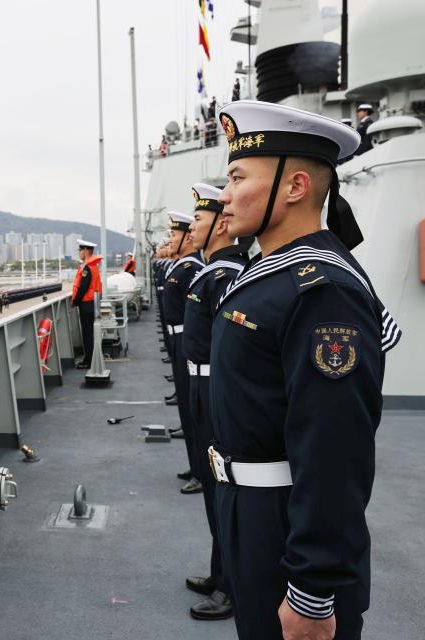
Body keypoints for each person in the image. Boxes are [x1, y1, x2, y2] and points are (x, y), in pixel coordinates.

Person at [210, 100, 401, 640]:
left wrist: (313, 592)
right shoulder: (271, 274)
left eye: (237, 176)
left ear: (294, 188)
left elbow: (334, 448)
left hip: (286, 527)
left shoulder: (322, 291)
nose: (225, 194)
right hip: (252, 513)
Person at [181, 182, 249, 622]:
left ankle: (229, 585)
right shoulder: (212, 271)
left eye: (199, 221)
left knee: (222, 488)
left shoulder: (226, 275)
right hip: (199, 385)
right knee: (212, 488)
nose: (192, 230)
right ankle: (218, 571)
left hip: (215, 388)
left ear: (220, 226)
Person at [161, 212, 204, 492]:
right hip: (177, 339)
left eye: (175, 234)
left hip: (186, 339)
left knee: (194, 411)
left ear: (188, 237)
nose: (171, 239)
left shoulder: (191, 269)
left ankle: (201, 472)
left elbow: (196, 315)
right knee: (187, 408)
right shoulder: (183, 266)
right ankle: (195, 465)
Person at [70, 239, 102, 369]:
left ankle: (88, 361)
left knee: (87, 334)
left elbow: (83, 287)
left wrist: (75, 302)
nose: (79, 253)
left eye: (80, 250)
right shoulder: (92, 266)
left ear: (86, 251)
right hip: (91, 303)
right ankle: (89, 358)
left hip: (87, 304)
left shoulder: (87, 267)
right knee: (90, 333)